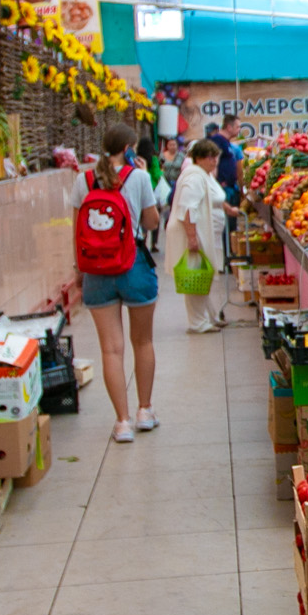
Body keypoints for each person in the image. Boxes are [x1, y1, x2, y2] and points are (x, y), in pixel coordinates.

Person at [69, 123, 161, 443]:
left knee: (111, 349)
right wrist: (146, 175)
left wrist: (81, 274)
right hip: (133, 263)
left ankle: (121, 423)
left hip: (96, 270)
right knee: (143, 342)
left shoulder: (83, 180)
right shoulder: (138, 177)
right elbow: (151, 222)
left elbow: (76, 232)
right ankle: (144, 412)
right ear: (129, 148)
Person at [165, 139, 236, 333]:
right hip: (192, 234)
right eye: (209, 157)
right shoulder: (194, 178)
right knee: (195, 276)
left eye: (215, 156)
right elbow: (188, 209)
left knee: (202, 275)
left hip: (200, 232)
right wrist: (192, 238)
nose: (214, 161)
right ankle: (197, 322)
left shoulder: (201, 175)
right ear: (198, 158)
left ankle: (208, 317)